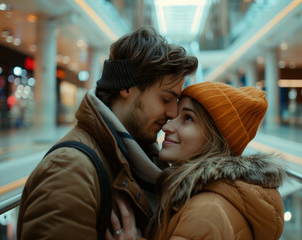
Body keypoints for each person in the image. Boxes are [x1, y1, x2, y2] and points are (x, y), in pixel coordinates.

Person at [17, 26, 198, 239]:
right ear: (127, 88)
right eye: (166, 99)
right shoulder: (70, 170)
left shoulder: (141, 157)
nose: (172, 112)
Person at [113, 81, 287, 240]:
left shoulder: (206, 211)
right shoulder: (202, 196)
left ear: (216, 138)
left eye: (187, 118)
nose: (167, 126)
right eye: (173, 117)